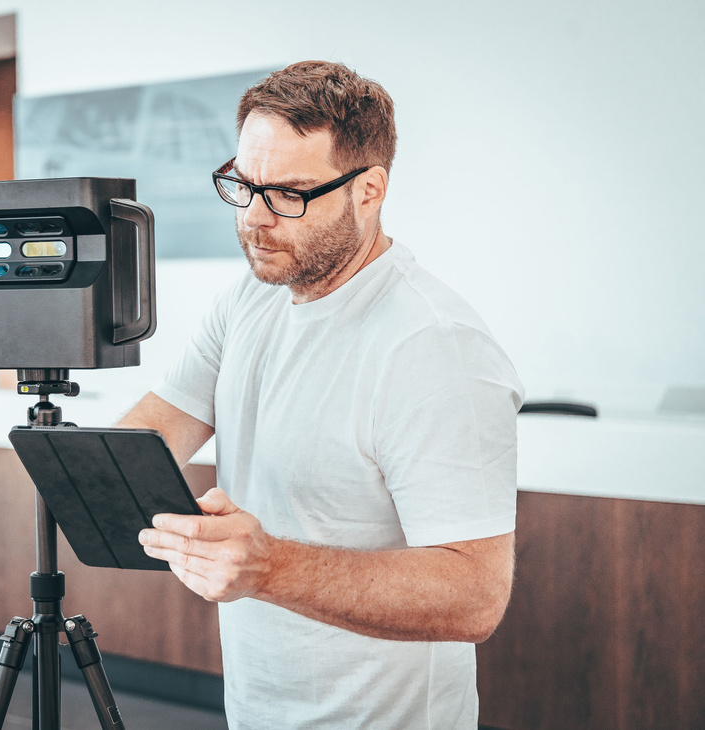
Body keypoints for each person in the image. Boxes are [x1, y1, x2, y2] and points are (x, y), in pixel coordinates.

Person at [118, 60, 524, 728]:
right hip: (256, 707)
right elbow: (155, 433)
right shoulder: (250, 299)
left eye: (288, 194)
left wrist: (267, 567)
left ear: (368, 190)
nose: (254, 218)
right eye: (243, 185)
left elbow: (474, 596)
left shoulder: (433, 345)